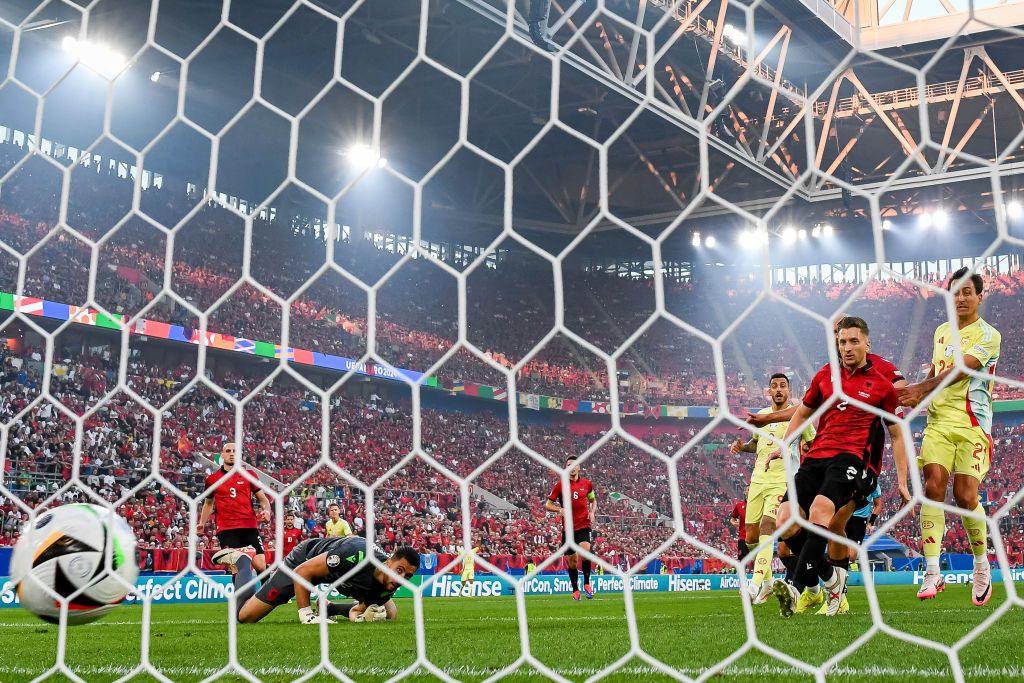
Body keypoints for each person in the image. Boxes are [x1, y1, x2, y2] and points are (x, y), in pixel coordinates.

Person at [769, 317, 909, 617]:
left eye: (853, 341)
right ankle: (831, 580)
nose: (846, 347)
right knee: (785, 520)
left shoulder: (882, 387)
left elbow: (897, 434)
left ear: (866, 344)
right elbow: (803, 414)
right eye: (842, 341)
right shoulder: (825, 375)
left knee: (822, 511)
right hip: (817, 456)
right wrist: (784, 445)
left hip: (850, 459)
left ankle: (793, 586)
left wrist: (902, 481)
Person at [897, 267, 1001, 606]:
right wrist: (917, 400)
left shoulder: (989, 335)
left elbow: (959, 371)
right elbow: (936, 371)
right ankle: (932, 571)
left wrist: (919, 389)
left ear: (979, 296)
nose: (961, 297)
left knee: (966, 495)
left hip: (972, 424)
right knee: (932, 489)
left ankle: (981, 565)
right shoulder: (942, 332)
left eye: (967, 291)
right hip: (939, 422)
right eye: (955, 291)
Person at [730, 373, 816, 604]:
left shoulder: (800, 414)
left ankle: (754, 585)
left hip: (784, 479)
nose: (778, 390)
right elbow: (756, 444)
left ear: (789, 390)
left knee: (768, 525)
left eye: (783, 386)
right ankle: (767, 581)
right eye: (774, 386)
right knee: (750, 537)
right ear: (769, 391)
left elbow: (812, 442)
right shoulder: (763, 416)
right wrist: (742, 447)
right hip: (758, 479)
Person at [216, 535, 419, 624]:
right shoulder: (356, 553)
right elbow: (303, 571)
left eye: (407, 576)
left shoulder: (389, 585)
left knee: (389, 613)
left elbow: (358, 610)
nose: (401, 578)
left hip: (339, 577)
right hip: (304, 561)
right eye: (399, 570)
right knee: (245, 616)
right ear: (388, 563)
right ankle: (242, 561)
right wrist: (306, 614)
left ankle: (329, 607)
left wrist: (358, 616)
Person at [202, 442, 272, 574]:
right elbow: (208, 503)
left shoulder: (249, 474)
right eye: (228, 451)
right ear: (222, 455)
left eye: (235, 451)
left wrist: (266, 510)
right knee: (236, 567)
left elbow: (263, 499)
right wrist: (201, 524)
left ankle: (265, 594)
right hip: (226, 528)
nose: (232, 454)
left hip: (249, 526)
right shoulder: (212, 479)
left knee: (261, 566)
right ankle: (240, 595)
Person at [817, 483, 882, 615]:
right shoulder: (847, 477)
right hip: (842, 516)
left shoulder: (873, 484)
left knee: (851, 556)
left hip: (859, 521)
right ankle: (838, 595)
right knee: (835, 553)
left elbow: (878, 504)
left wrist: (871, 522)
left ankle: (837, 593)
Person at [545, 456, 597, 601]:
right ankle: (575, 589)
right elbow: (548, 504)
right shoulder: (560, 484)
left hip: (583, 525)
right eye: (568, 465)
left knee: (586, 551)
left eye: (574, 465)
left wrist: (592, 511)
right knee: (573, 562)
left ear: (579, 467)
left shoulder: (587, 484)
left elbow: (593, 500)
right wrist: (559, 510)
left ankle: (587, 584)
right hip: (568, 529)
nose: (571, 467)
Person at [729, 499, 748, 563]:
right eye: (747, 489)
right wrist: (734, 523)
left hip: (756, 537)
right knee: (742, 559)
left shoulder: (758, 504)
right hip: (743, 537)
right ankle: (742, 572)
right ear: (745, 492)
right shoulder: (739, 505)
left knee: (757, 559)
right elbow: (732, 518)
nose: (749, 491)